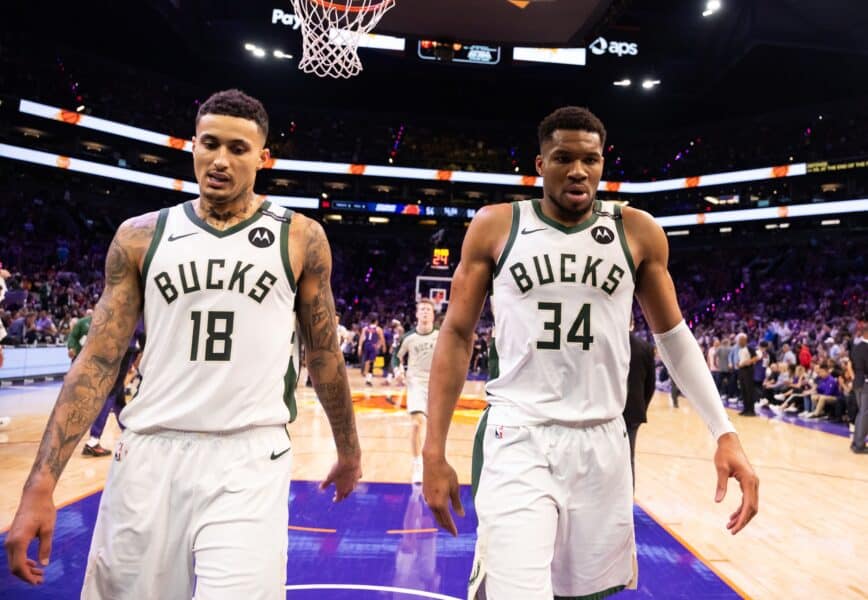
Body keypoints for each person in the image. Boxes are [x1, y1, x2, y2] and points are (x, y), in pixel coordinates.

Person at [4, 89, 362, 597]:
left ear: (263, 158)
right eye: (209, 144)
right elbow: (99, 361)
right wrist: (40, 484)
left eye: (238, 149)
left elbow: (324, 354)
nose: (220, 160)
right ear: (192, 146)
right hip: (149, 451)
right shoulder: (140, 236)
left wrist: (348, 448)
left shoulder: (301, 237)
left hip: (250, 454)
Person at [422, 106, 758, 600]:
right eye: (563, 158)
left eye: (590, 159)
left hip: (603, 439)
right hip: (519, 434)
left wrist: (724, 432)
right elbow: (455, 333)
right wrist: (434, 446)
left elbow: (675, 337)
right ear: (540, 164)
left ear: (603, 163)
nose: (578, 170)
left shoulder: (637, 230)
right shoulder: (496, 226)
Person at [392, 298, 439, 483]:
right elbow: (396, 357)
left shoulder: (442, 335)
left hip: (437, 383)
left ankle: (433, 462)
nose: (426, 312)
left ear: (433, 314)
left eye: (429, 309)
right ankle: (417, 463)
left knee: (435, 428)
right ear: (417, 314)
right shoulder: (408, 337)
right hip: (416, 383)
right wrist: (397, 370)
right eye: (423, 309)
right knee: (417, 423)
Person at [623, 330, 655, 488]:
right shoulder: (646, 347)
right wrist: (642, 406)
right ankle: (628, 502)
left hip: (607, 411)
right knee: (628, 459)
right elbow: (651, 386)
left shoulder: (606, 342)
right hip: (634, 412)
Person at [851, 326, 868, 453]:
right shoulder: (866, 348)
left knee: (860, 413)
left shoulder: (856, 347)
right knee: (864, 414)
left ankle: (856, 442)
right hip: (866, 383)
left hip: (857, 382)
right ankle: (860, 445)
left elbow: (851, 365)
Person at [359, 316, 385, 386]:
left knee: (367, 361)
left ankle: (367, 376)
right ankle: (368, 378)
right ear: (376, 321)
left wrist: (359, 347)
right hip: (373, 346)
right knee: (371, 363)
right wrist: (382, 346)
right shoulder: (378, 329)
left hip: (366, 345)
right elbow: (382, 339)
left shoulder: (365, 328)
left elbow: (362, 338)